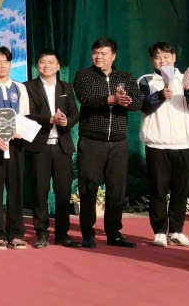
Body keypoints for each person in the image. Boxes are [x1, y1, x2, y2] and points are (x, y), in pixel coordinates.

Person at [73, 37, 142, 249]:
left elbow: (137, 102)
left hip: (118, 143)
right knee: (88, 187)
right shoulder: (83, 75)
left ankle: (114, 233)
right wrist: (112, 99)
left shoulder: (125, 77)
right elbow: (87, 99)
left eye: (103, 53)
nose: (98, 57)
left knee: (116, 189)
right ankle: (87, 233)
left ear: (113, 56)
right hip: (92, 141)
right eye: (95, 53)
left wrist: (126, 101)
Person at [138, 42, 189, 248]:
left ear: (174, 58)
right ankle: (159, 232)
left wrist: (187, 89)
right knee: (158, 191)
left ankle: (176, 231)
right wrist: (160, 95)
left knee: (181, 191)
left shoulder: (188, 79)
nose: (163, 61)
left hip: (184, 144)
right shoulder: (145, 80)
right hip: (157, 144)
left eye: (166, 56)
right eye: (158, 57)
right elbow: (142, 105)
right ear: (152, 60)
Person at [23, 50, 80, 248]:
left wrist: (67, 121)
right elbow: (26, 115)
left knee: (63, 191)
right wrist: (49, 119)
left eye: (50, 62)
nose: (46, 65)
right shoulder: (28, 87)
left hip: (62, 146)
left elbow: (75, 113)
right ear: (37, 66)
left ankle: (63, 234)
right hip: (40, 147)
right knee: (40, 191)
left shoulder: (66, 87)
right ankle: (41, 233)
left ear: (58, 66)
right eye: (42, 62)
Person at [0, 47, 29, 250]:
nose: (2, 65)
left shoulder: (20, 88)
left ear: (11, 64)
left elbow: (24, 115)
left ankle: (16, 233)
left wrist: (20, 130)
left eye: (6, 61)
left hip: (16, 145)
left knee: (15, 189)